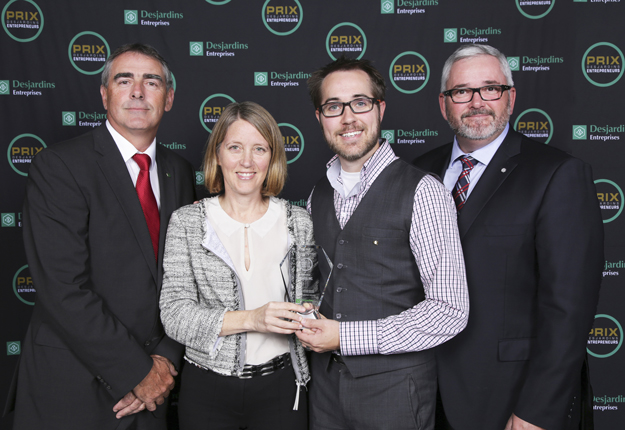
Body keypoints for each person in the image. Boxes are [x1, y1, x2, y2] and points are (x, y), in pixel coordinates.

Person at [6, 43, 196, 429]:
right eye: (124, 80)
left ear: (170, 97)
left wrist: (164, 363)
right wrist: (137, 372)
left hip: (155, 391)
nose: (138, 92)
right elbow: (62, 287)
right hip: (72, 385)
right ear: (105, 94)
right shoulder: (59, 166)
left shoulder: (180, 172)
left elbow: (187, 280)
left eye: (152, 82)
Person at [414, 44, 603, 430]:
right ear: (443, 104)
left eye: (490, 89)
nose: (477, 102)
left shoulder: (557, 174)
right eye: (462, 91)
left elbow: (568, 311)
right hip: (422, 397)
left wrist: (537, 412)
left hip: (509, 402)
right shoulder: (416, 173)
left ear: (511, 98)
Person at [295, 57, 469, 430]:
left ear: (380, 109)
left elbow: (450, 310)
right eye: (333, 106)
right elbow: (315, 282)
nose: (348, 118)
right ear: (319, 117)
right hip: (324, 391)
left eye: (360, 102)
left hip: (395, 392)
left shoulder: (424, 191)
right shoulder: (317, 195)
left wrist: (346, 337)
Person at [159, 101, 317, 430]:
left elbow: (311, 302)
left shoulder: (297, 222)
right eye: (235, 147)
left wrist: (310, 315)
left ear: (272, 157)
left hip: (282, 385)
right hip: (207, 389)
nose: (246, 161)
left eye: (259, 149)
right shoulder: (188, 223)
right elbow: (174, 315)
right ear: (218, 154)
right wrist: (253, 319)